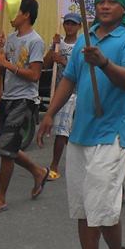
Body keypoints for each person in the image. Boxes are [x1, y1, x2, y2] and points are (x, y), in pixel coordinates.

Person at [35, 0, 125, 249]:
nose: (105, 6)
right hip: (80, 132)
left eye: (112, 2)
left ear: (123, 9)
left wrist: (104, 63)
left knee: (104, 205)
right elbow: (69, 79)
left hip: (112, 134)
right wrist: (49, 115)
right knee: (84, 207)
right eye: (101, 2)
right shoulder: (85, 38)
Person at [0, 0, 49, 215]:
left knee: (7, 150)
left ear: (26, 14)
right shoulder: (9, 38)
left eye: (16, 10)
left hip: (24, 100)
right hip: (8, 97)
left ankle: (0, 198)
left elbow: (35, 75)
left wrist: (7, 64)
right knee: (7, 147)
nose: (11, 15)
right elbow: (2, 66)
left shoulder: (35, 41)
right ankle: (38, 171)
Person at [44, 13, 83, 179]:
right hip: (61, 92)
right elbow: (45, 64)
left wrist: (64, 62)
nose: (69, 27)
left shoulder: (81, 45)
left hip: (78, 92)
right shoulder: (58, 44)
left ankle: (66, 163)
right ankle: (55, 164)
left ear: (79, 26)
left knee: (69, 131)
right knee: (61, 130)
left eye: (73, 24)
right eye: (67, 23)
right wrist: (53, 49)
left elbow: (82, 69)